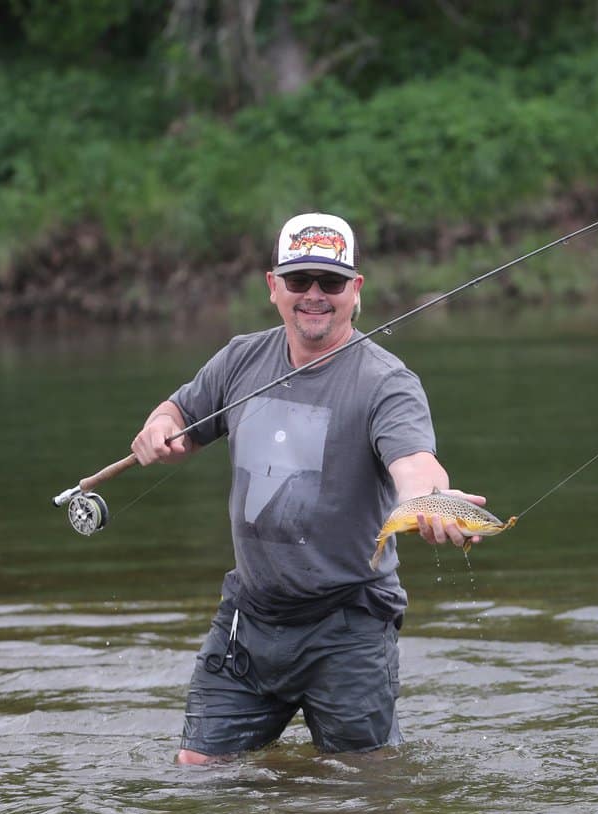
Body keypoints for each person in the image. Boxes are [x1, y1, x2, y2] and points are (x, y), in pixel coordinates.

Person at [131, 211, 486, 762]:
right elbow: (180, 411)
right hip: (248, 618)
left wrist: (430, 503)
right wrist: (160, 427)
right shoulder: (240, 358)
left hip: (348, 625)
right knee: (196, 774)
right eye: (299, 281)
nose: (314, 295)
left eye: (331, 282)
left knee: (360, 794)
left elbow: (416, 464)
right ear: (273, 286)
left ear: (355, 290)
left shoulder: (387, 383)